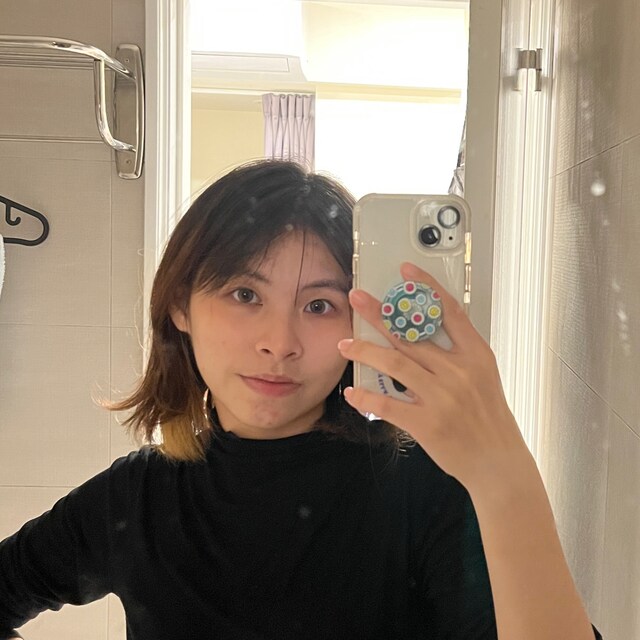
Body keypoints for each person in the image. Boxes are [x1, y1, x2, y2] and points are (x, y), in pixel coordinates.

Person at [0, 160, 602, 640]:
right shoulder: (134, 499)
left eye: (319, 305)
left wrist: (504, 477)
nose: (280, 343)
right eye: (244, 294)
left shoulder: (423, 491)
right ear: (180, 305)